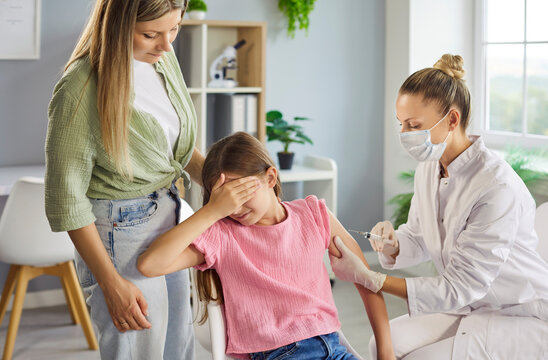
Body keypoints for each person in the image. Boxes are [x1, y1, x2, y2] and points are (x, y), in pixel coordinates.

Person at [329, 54, 548, 360]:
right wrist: (393, 244)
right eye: (401, 124)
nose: (405, 134)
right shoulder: (430, 168)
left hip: (517, 312)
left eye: (414, 125)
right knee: (381, 345)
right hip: (468, 304)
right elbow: (419, 237)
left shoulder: (495, 187)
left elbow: (460, 286)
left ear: (453, 120)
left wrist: (374, 279)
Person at [137, 132, 396, 359]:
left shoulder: (314, 214)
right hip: (282, 354)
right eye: (225, 199)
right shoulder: (222, 234)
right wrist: (212, 211)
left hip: (334, 347)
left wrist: (386, 353)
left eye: (241, 194)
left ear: (270, 177)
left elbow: (365, 279)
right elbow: (150, 264)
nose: (235, 208)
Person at [45, 1, 203, 358]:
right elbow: (66, 201)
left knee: (177, 347)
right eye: (150, 34)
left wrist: (227, 180)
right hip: (120, 233)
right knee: (139, 350)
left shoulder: (162, 60)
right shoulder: (80, 89)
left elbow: (174, 149)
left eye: (175, 28)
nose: (166, 45)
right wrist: (110, 282)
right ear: (117, 25)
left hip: (170, 218)